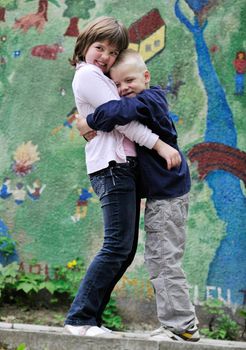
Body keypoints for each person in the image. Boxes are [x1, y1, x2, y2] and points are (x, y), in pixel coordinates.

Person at [64, 17, 181, 337]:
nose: (104, 56)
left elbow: (112, 115)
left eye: (113, 53)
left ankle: (89, 318)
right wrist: (159, 145)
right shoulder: (88, 74)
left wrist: (89, 123)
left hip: (120, 166)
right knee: (117, 246)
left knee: (124, 249)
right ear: (85, 45)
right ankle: (80, 319)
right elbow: (123, 120)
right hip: (112, 166)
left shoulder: (99, 76)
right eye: (99, 47)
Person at [78, 49, 200, 342]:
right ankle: (177, 324)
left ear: (146, 76)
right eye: (117, 85)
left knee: (163, 259)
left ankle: (181, 326)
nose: (123, 89)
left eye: (129, 80)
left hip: (169, 195)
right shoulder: (142, 99)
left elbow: (119, 112)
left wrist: (90, 120)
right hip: (165, 195)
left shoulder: (150, 100)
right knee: (160, 258)